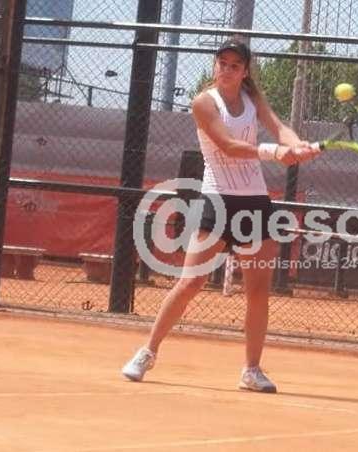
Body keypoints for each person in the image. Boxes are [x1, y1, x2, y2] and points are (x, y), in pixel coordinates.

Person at [121, 37, 320, 393]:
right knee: (190, 283)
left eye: (234, 65)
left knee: (258, 291)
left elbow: (278, 126)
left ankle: (252, 370)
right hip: (217, 202)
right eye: (222, 63)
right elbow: (228, 145)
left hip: (255, 203)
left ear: (245, 71)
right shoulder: (204, 102)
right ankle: (147, 352)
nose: (226, 70)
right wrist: (275, 152)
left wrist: (296, 144)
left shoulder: (252, 98)